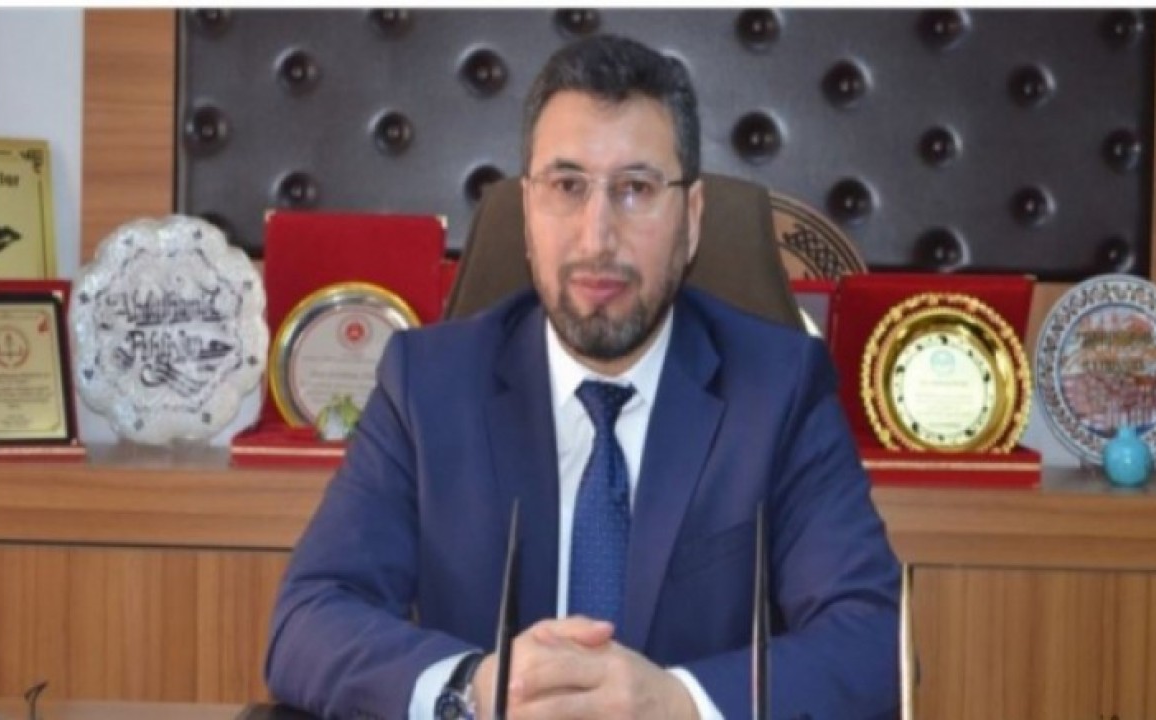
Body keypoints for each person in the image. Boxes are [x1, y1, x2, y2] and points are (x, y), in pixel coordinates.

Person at [266, 33, 901, 720]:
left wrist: (678, 703)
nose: (598, 238)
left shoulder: (777, 391)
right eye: (567, 187)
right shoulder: (427, 385)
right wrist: (474, 688)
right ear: (527, 213)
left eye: (636, 189)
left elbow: (877, 642)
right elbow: (307, 619)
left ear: (690, 220)